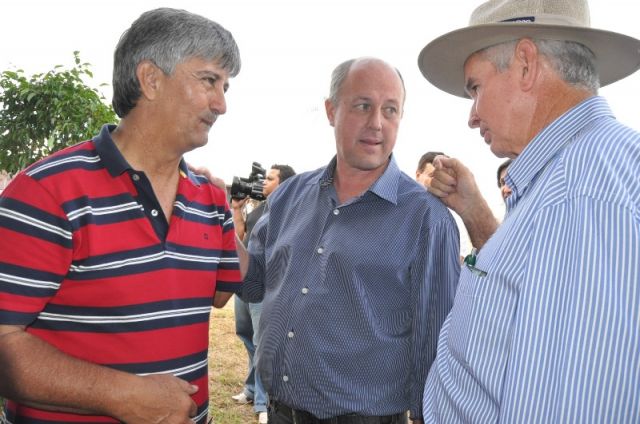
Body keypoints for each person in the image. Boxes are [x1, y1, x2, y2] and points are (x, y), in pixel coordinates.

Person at [0, 8, 242, 424]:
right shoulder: (47, 192)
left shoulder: (210, 200)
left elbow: (219, 295)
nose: (221, 104)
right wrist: (122, 396)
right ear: (150, 79)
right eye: (208, 81)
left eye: (225, 86)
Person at [417, 0, 640, 422]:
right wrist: (475, 211)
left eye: (475, 88)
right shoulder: (571, 176)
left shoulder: (577, 193)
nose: (472, 116)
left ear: (525, 64)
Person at [238, 57, 461, 424]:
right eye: (363, 105)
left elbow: (436, 339)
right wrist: (215, 218)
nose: (377, 123)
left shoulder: (426, 219)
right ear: (331, 111)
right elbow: (253, 282)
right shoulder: (290, 195)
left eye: (390, 110)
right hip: (280, 412)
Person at [230, 164, 296, 424]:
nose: (263, 182)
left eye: (269, 178)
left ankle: (263, 402)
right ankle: (250, 389)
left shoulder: (290, 211)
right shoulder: (260, 209)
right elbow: (239, 236)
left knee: (262, 342)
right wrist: (236, 209)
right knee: (246, 335)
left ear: (284, 183)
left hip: (266, 284)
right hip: (245, 279)